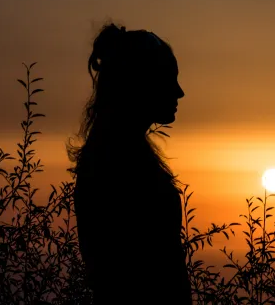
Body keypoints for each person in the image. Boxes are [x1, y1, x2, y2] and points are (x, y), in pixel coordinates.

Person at [68, 23, 191, 304]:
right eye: (169, 79)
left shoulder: (114, 153)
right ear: (141, 83)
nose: (179, 92)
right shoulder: (116, 162)